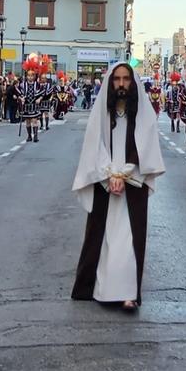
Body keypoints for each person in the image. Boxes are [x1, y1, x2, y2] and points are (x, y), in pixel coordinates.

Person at [70, 62, 167, 311]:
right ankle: (101, 290)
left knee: (128, 240)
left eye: (126, 79)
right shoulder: (102, 113)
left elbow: (146, 145)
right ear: (111, 83)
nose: (121, 84)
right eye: (117, 80)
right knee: (102, 239)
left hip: (132, 183)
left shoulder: (143, 114)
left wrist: (125, 173)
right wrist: (108, 174)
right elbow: (94, 143)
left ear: (133, 83)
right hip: (105, 182)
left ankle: (128, 293)